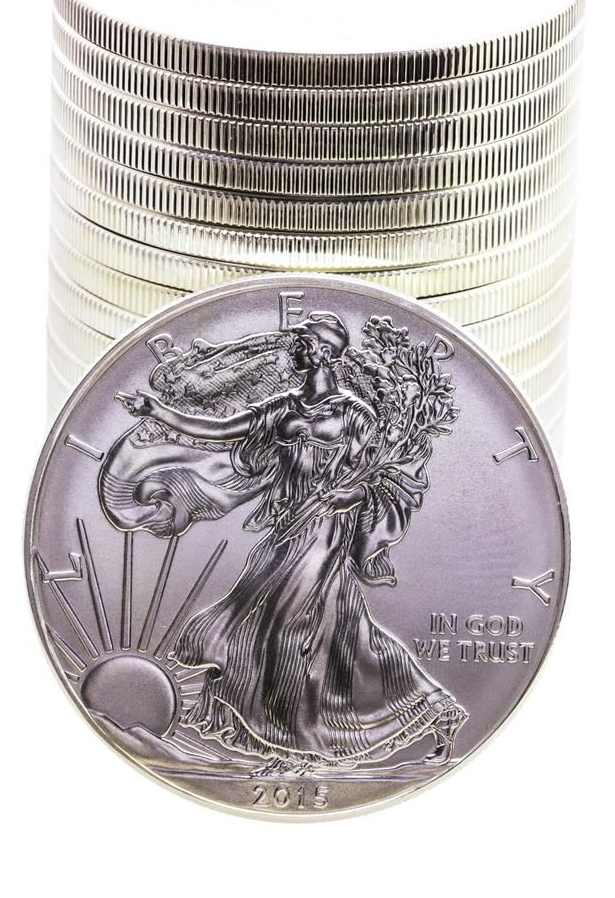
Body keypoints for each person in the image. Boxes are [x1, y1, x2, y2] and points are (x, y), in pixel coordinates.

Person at [121, 312, 466, 773]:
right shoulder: (282, 408)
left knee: (292, 627)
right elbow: (219, 431)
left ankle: (300, 747)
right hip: (288, 528)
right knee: (298, 628)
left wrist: (352, 494)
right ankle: (429, 710)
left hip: (327, 529)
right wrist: (157, 412)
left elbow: (382, 480)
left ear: (323, 352)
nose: (295, 350)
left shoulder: (354, 415)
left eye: (302, 344)